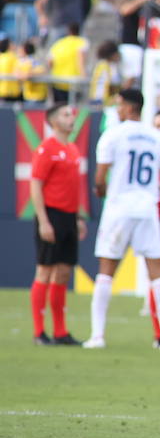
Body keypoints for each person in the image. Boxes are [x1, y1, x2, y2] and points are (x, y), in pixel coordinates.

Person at [86, 88, 160, 350]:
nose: (117, 109)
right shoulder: (158, 138)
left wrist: (103, 190)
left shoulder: (112, 135)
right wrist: (154, 192)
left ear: (128, 106)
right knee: (156, 272)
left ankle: (98, 335)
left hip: (118, 209)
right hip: (146, 209)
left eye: (119, 104)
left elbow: (99, 178)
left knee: (106, 270)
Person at [29, 103, 85, 346]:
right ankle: (39, 332)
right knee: (45, 270)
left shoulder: (72, 149)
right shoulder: (46, 149)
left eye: (71, 114)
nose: (71, 118)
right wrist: (43, 221)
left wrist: (78, 217)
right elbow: (35, 185)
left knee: (63, 272)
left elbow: (73, 186)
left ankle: (60, 332)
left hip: (69, 216)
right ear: (53, 121)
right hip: (51, 215)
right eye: (65, 114)